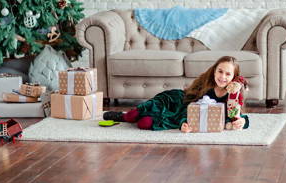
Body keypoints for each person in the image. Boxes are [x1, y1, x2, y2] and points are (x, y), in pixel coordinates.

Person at [103, 56, 249, 132]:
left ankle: (137, 117)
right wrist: (183, 122)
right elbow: (189, 104)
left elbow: (238, 113)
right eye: (220, 71)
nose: (222, 77)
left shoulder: (233, 94)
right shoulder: (207, 84)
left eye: (228, 74)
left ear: (234, 77)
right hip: (177, 101)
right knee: (134, 115)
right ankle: (123, 116)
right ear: (214, 70)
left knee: (144, 123)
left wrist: (242, 121)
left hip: (180, 114)